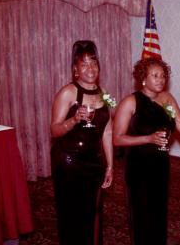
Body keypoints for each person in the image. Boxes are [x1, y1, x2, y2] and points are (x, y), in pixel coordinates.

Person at [113, 57, 180, 245]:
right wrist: (148, 138)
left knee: (158, 210)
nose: (161, 79)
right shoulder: (130, 102)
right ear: (143, 78)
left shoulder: (167, 99)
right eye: (155, 76)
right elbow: (117, 138)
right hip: (138, 167)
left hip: (160, 164)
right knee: (141, 212)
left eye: (163, 76)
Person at [50, 40, 113, 245]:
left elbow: (107, 131)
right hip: (69, 162)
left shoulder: (104, 94)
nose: (90, 68)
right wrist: (74, 119)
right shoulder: (68, 92)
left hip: (94, 162)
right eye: (84, 64)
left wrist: (110, 165)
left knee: (93, 213)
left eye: (93, 63)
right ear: (75, 69)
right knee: (72, 214)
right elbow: (55, 130)